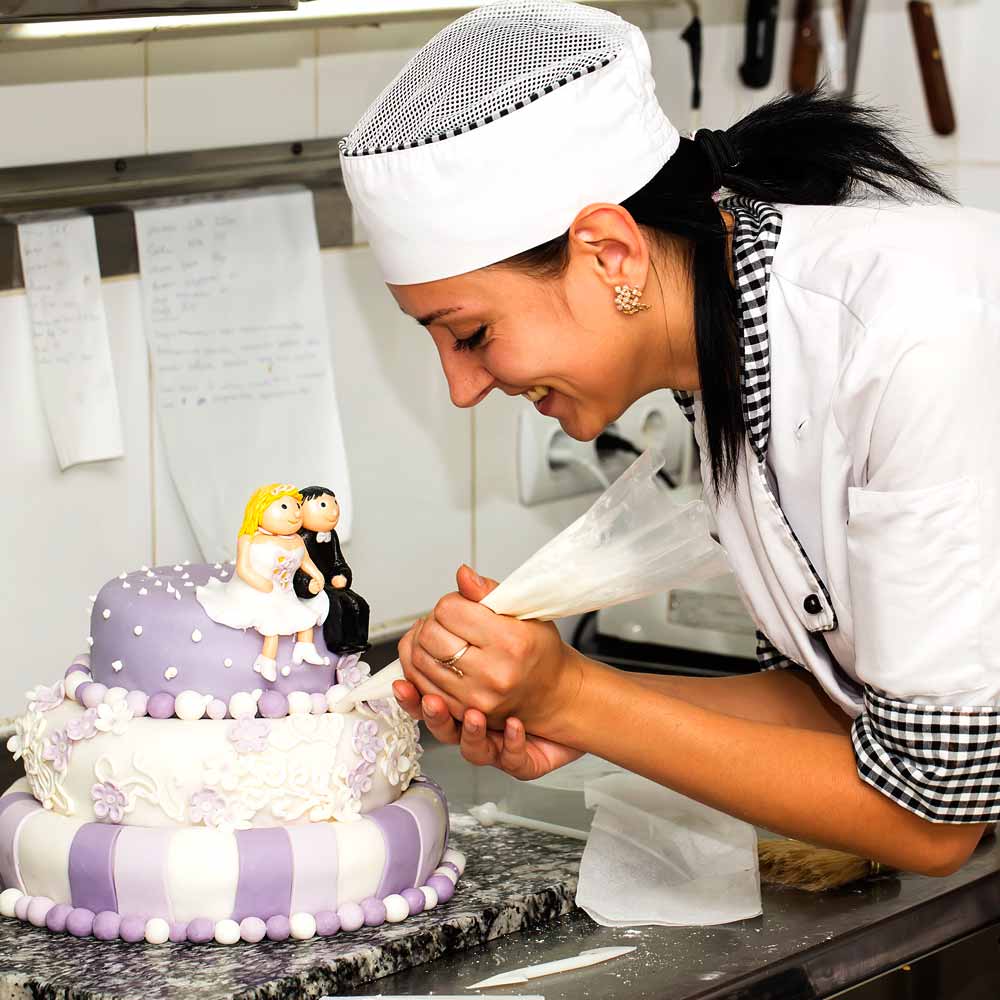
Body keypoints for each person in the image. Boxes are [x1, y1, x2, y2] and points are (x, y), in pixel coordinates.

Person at [339, 0, 1000, 877]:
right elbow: (839, 705)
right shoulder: (730, 350)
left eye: (471, 334)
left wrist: (577, 696)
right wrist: (557, 703)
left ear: (610, 253)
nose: (463, 390)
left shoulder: (913, 330)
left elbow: (935, 815)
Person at [196, 483, 326, 681]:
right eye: (284, 507)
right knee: (271, 625)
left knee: (304, 618)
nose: (295, 513)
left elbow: (305, 562)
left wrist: (318, 576)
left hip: (285, 592)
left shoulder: (297, 540)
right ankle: (266, 661)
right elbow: (243, 568)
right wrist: (259, 582)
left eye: (297, 507)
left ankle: (305, 649)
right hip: (256, 592)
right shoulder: (249, 538)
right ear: (260, 509)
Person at [292, 486, 371, 655]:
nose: (334, 511)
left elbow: (338, 560)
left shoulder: (332, 535)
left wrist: (341, 574)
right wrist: (307, 584)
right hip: (316, 584)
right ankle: (337, 642)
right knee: (337, 605)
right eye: (323, 505)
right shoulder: (299, 540)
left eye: (334, 503)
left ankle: (358, 640)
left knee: (359, 603)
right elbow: (296, 569)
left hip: (329, 582)